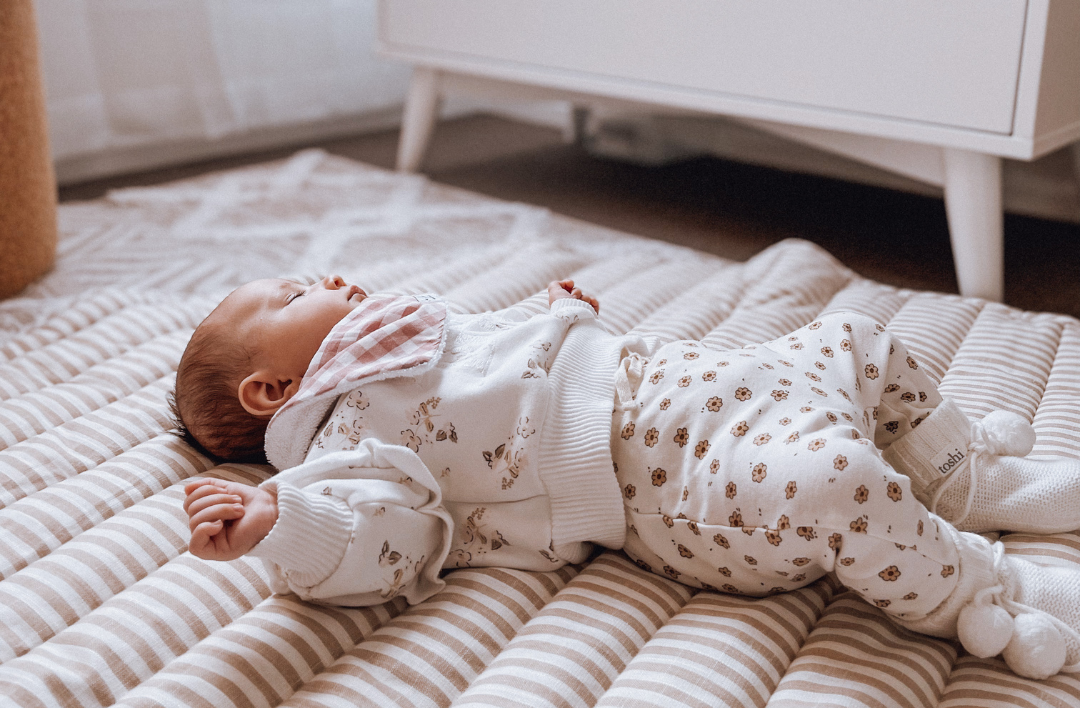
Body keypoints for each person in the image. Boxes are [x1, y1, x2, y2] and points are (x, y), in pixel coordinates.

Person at [174, 275, 1080, 679]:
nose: (325, 279)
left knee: (858, 339)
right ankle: (982, 590)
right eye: (292, 297)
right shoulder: (340, 440)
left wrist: (554, 322)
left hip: (700, 381)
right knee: (833, 479)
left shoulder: (404, 334)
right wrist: (278, 524)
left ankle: (963, 479)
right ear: (273, 391)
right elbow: (385, 540)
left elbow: (489, 372)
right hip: (668, 481)